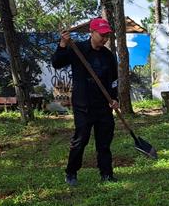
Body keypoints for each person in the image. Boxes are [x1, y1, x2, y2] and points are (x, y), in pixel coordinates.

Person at [51, 17, 119, 186]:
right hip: (83, 105)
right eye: (101, 35)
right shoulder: (77, 49)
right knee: (81, 140)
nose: (104, 39)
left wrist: (114, 98)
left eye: (107, 36)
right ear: (92, 32)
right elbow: (57, 63)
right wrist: (63, 44)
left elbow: (113, 80)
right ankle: (71, 172)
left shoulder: (108, 56)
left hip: (103, 105)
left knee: (104, 142)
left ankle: (106, 174)